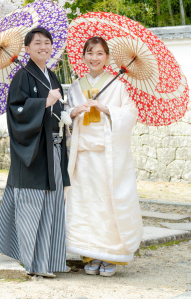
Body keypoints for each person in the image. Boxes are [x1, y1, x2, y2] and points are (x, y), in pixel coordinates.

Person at [0, 26, 69, 278]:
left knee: (51, 205)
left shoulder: (52, 77)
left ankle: (46, 261)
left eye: (47, 42)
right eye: (37, 43)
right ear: (27, 49)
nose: (43, 47)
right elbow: (16, 112)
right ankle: (31, 263)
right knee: (31, 205)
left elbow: (58, 111)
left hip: (54, 150)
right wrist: (44, 102)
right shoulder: (22, 77)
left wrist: (68, 114)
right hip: (33, 151)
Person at [65, 36, 141, 277]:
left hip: (107, 156)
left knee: (108, 204)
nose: (94, 58)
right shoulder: (76, 86)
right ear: (83, 56)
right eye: (90, 53)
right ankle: (90, 254)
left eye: (99, 53)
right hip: (82, 155)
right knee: (85, 205)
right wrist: (74, 112)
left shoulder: (118, 85)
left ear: (107, 57)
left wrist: (107, 109)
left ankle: (110, 256)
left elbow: (130, 114)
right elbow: (65, 115)